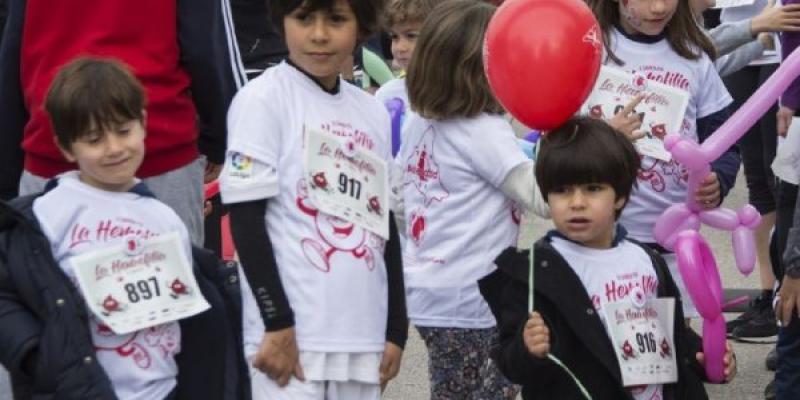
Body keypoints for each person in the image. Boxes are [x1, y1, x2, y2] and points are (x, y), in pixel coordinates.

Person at [0, 57, 248, 400]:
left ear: (143, 124)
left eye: (123, 130)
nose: (114, 148)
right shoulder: (47, 216)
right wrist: (35, 356)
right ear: (65, 146)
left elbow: (191, 318)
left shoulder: (162, 216)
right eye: (93, 138)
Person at [218, 0, 409, 398]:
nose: (319, 34)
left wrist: (396, 328)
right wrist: (276, 322)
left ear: (361, 27)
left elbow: (384, 223)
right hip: (291, 343)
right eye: (304, 18)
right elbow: (245, 220)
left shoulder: (370, 113)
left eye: (336, 19)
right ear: (281, 21)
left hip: (361, 341)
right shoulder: (261, 101)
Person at [479, 117, 737, 400]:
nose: (577, 202)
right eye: (562, 190)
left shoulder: (646, 261)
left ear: (620, 196)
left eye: (593, 189)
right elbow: (511, 363)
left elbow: (672, 338)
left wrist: (702, 357)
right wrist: (527, 349)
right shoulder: (534, 275)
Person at [395, 1, 548, 398]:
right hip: (473, 300)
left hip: (430, 292)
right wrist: (586, 153)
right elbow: (542, 198)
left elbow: (399, 194)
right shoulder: (484, 130)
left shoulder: (419, 121)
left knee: (480, 387)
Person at [0, 0, 246, 246]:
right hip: (155, 143)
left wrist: (8, 172)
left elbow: (13, 50)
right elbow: (208, 47)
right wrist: (221, 139)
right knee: (170, 277)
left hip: (55, 142)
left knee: (50, 280)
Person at [588, 0, 740, 321]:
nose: (659, 7)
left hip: (676, 243)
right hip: (608, 240)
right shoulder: (592, 49)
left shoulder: (693, 58)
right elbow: (561, 141)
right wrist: (604, 138)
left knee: (674, 347)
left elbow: (723, 137)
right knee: (616, 349)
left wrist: (720, 178)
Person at [691, 0, 800, 77]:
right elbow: (696, 49)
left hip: (777, 45)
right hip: (751, 38)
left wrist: (760, 41)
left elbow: (712, 61)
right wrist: (760, 23)